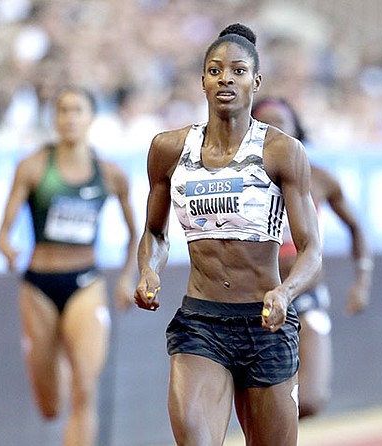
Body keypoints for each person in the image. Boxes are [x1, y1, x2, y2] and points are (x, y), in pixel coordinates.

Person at [134, 24, 322, 446]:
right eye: (215, 70)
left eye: (238, 71)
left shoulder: (282, 151)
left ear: (255, 81)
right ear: (202, 80)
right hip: (201, 323)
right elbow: (154, 231)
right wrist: (148, 269)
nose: (226, 79)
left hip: (265, 323)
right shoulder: (168, 149)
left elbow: (312, 250)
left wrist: (286, 293)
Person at [0, 86, 137, 446]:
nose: (70, 118)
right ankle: (54, 357)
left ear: (91, 118)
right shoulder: (33, 167)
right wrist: (7, 248)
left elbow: (136, 233)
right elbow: (4, 231)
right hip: (39, 284)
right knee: (49, 406)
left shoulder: (109, 174)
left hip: (85, 282)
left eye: (78, 111)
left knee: (85, 387)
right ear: (54, 118)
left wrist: (127, 277)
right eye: (63, 111)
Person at [252, 96, 373, 417]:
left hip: (307, 297)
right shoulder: (242, 182)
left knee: (311, 398)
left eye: (283, 123)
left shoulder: (318, 178)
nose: (275, 130)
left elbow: (356, 228)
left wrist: (362, 279)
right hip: (257, 298)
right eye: (267, 124)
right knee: (262, 401)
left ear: (296, 131)